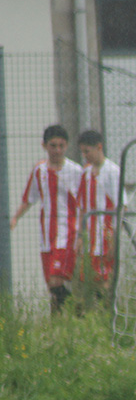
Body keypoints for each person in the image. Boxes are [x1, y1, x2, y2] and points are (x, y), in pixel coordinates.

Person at [10, 125, 82, 312]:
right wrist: (15, 218)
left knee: (56, 280)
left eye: (61, 146)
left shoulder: (75, 171)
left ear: (66, 146)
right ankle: (60, 322)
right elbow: (29, 198)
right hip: (46, 236)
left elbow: (83, 203)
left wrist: (82, 233)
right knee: (52, 286)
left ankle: (79, 310)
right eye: (53, 146)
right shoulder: (39, 170)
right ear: (44, 146)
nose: (57, 150)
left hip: (67, 233)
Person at [76, 130, 127, 295]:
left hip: (105, 236)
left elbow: (122, 206)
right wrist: (80, 236)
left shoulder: (112, 171)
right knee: (87, 280)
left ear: (99, 147)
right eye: (82, 152)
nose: (85, 156)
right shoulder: (86, 173)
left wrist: (114, 237)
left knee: (104, 281)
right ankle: (94, 309)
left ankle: (106, 309)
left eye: (87, 151)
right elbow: (82, 207)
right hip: (90, 237)